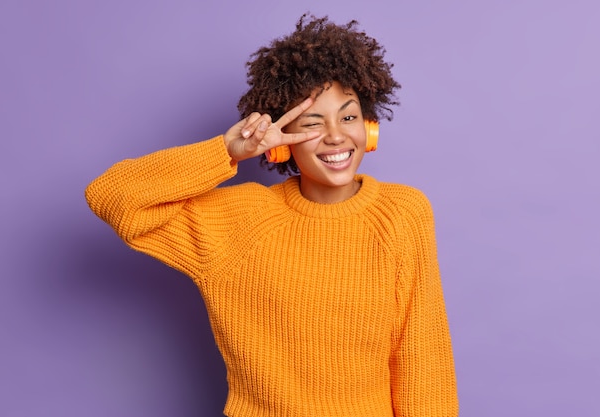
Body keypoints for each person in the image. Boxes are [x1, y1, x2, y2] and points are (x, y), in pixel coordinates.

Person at [85, 14, 459, 417]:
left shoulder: (402, 213)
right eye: (312, 124)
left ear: (368, 127)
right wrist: (227, 150)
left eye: (348, 117)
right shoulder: (241, 221)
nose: (336, 135)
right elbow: (113, 196)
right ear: (282, 145)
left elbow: (423, 359)